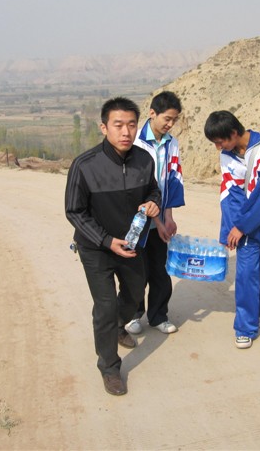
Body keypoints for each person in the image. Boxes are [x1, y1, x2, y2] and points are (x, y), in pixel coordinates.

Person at [65, 97, 161, 395]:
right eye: (118, 125)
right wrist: (106, 241)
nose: (126, 132)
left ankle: (119, 326)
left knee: (134, 294)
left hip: (131, 244)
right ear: (104, 127)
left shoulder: (144, 160)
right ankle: (109, 367)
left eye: (131, 125)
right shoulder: (85, 165)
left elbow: (154, 190)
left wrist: (154, 203)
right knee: (105, 306)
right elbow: (74, 211)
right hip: (96, 248)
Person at [203, 110, 260, 349]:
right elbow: (230, 194)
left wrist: (241, 226)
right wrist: (231, 230)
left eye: (220, 142)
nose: (218, 148)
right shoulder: (227, 156)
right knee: (245, 277)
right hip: (247, 231)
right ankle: (245, 327)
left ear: (233, 133)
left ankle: (253, 315)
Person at [126, 91, 185, 335]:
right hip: (136, 218)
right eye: (167, 118)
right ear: (152, 113)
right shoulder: (135, 142)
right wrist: (156, 219)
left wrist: (168, 217)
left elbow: (172, 180)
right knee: (136, 270)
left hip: (159, 217)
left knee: (160, 270)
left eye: (174, 120)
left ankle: (159, 315)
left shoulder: (172, 144)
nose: (170, 124)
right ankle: (133, 314)